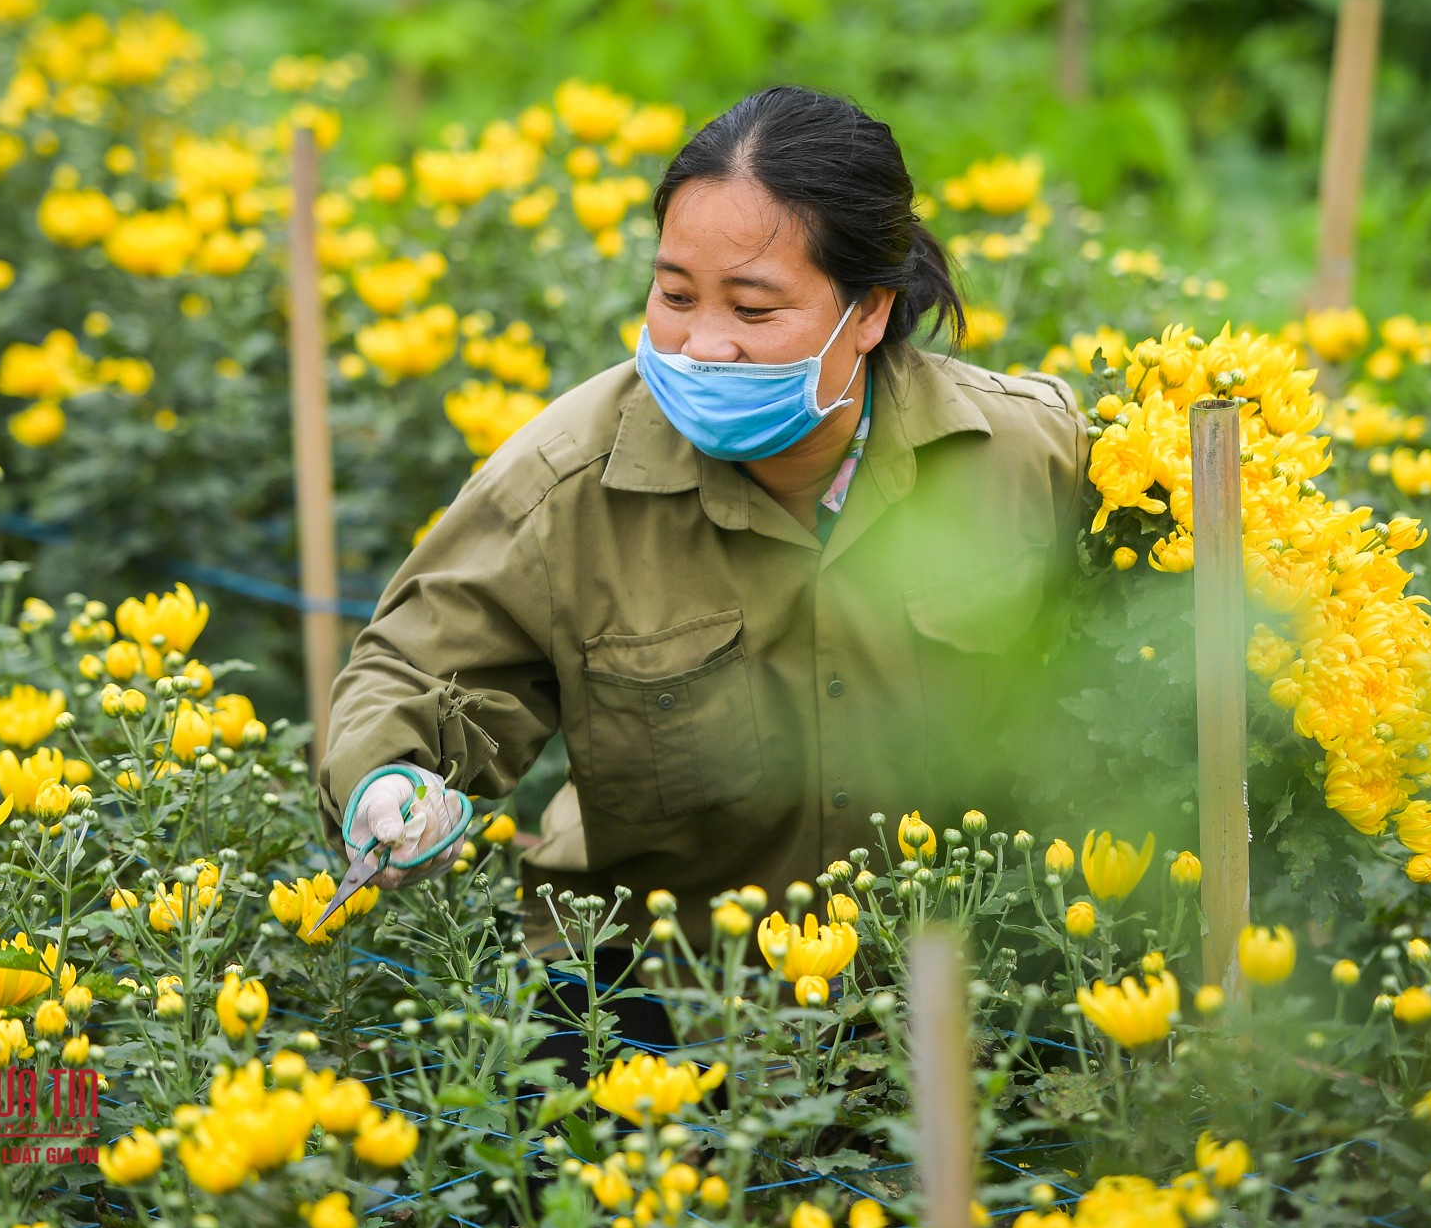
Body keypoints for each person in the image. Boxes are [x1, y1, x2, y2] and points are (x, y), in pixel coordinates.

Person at [316, 85, 1091, 970]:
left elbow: (1140, 692)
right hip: (651, 995)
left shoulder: (1027, 455)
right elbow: (419, 670)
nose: (701, 345)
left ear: (870, 311)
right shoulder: (567, 482)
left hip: (955, 981)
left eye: (754, 310)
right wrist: (393, 781)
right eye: (675, 295)